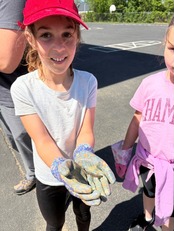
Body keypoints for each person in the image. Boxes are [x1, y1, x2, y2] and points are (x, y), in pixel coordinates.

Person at [11, 0, 116, 230]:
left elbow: (86, 130)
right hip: (49, 175)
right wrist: (61, 166)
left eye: (67, 34)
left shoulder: (88, 81)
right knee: (55, 222)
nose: (59, 47)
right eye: (46, 35)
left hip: (82, 168)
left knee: (83, 213)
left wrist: (84, 153)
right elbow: (42, 139)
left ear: (77, 36)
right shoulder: (23, 88)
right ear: (30, 39)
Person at [112, 16, 174, 231]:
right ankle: (147, 217)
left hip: (173, 169)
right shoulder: (150, 83)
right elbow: (137, 118)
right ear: (164, 46)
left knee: (170, 211)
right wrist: (126, 150)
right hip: (147, 159)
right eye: (172, 49)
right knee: (148, 191)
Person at [0, 0, 36, 195]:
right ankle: (34, 173)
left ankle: (37, 176)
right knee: (13, 137)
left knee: (23, 135)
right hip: (4, 89)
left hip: (13, 88)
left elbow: (6, 61)